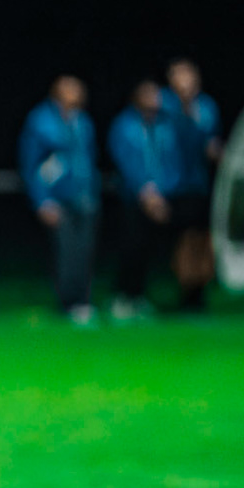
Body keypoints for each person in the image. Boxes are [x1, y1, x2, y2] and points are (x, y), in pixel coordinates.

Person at [18, 75, 98, 321]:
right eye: (69, 89)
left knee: (84, 251)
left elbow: (87, 159)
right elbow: (31, 164)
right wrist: (42, 200)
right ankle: (69, 303)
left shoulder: (82, 122)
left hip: (84, 198)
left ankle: (83, 301)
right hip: (57, 200)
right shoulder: (41, 121)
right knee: (66, 251)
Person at [107, 80, 182, 318]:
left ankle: (138, 296)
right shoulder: (125, 125)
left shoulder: (164, 126)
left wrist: (162, 193)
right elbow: (125, 161)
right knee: (130, 246)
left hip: (160, 198)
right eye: (148, 95)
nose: (155, 100)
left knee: (148, 250)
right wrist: (145, 191)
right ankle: (122, 297)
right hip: (133, 199)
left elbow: (171, 161)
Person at [161, 59, 221, 310]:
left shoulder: (206, 107)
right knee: (183, 239)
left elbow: (210, 139)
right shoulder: (165, 106)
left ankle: (200, 289)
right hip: (175, 184)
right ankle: (184, 290)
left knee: (202, 238)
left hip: (201, 184)